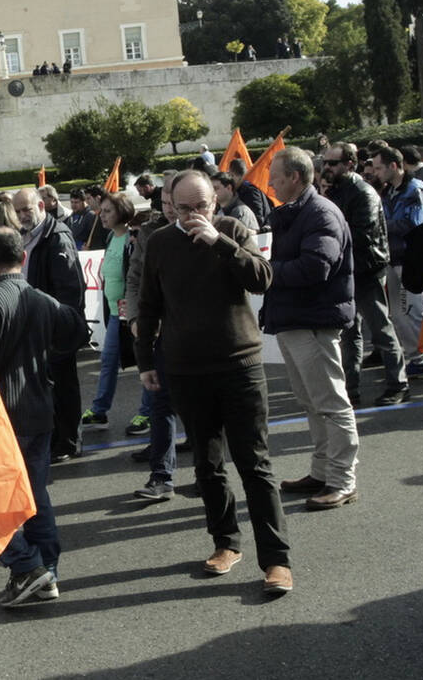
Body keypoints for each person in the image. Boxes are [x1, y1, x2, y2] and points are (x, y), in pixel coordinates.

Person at [136, 170, 292, 595]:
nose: (191, 216)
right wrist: (144, 359)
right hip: (186, 368)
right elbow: (148, 306)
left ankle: (276, 561)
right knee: (206, 464)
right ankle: (226, 542)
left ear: (214, 202)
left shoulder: (233, 229)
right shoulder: (160, 243)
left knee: (254, 464)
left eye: (199, 207)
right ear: (169, 204)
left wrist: (219, 243)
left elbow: (262, 278)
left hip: (239, 365)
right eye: (182, 208)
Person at [0, 227, 88, 606]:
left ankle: (28, 567)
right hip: (39, 410)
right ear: (23, 259)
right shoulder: (40, 298)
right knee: (34, 497)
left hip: (0, 415)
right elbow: (76, 329)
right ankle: (46, 573)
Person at [264, 147, 360, 511]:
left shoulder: (320, 213)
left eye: (275, 174)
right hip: (296, 320)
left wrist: (266, 272)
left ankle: (342, 480)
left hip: (313, 321)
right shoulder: (296, 213)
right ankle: (322, 472)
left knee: (331, 404)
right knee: (312, 402)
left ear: (294, 178)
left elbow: (314, 268)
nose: (269, 181)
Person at [321, 143, 408, 405]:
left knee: (380, 328)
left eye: (333, 163)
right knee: (349, 333)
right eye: (325, 162)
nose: (327, 167)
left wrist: (331, 236)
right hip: (348, 270)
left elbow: (362, 234)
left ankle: (398, 384)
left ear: (349, 164)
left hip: (367, 269)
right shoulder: (337, 191)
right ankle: (351, 388)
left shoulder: (363, 192)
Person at [10, 188, 86, 462]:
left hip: (54, 325)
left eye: (26, 209)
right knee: (47, 384)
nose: (21, 215)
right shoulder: (26, 236)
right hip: (35, 324)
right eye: (17, 211)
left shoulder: (56, 237)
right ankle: (56, 437)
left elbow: (70, 289)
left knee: (64, 383)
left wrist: (57, 324)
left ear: (41, 205)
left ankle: (68, 441)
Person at [125, 184, 181, 499]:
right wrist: (135, 319)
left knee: (201, 409)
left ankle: (207, 474)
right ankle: (161, 477)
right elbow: (136, 279)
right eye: (167, 203)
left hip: (197, 336)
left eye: (178, 203)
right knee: (161, 404)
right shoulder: (149, 234)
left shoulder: (216, 228)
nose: (171, 209)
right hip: (159, 331)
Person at [374, 145, 423, 378]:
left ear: (394, 166)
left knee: (416, 312)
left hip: (414, 261)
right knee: (399, 315)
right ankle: (417, 359)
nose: (376, 172)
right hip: (394, 258)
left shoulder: (415, 190)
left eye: (379, 168)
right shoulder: (389, 192)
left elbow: (414, 225)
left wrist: (380, 226)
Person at [81, 193, 137, 429]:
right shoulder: (111, 238)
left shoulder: (132, 240)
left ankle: (148, 412)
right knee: (108, 362)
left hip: (132, 313)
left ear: (121, 213)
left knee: (146, 365)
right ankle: (99, 409)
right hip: (115, 313)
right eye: (101, 211)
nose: (102, 216)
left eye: (107, 212)